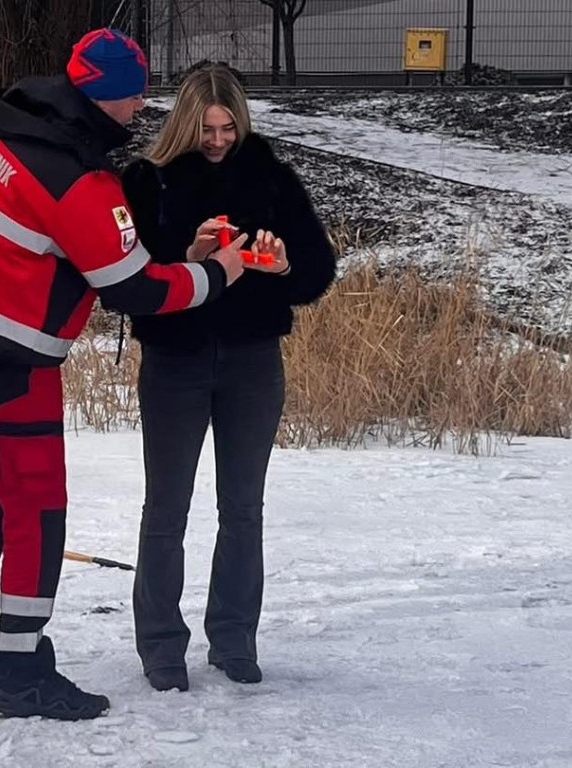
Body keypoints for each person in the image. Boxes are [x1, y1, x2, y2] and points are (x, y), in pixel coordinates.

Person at [0, 31, 248, 721]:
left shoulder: (6, 122)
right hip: (15, 358)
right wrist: (216, 274)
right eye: (137, 94)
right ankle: (20, 670)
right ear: (110, 97)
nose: (142, 106)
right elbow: (135, 289)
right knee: (36, 515)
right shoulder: (81, 181)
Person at [120, 63, 337, 692]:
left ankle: (234, 638)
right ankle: (161, 646)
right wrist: (184, 259)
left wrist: (283, 264)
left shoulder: (270, 178)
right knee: (167, 508)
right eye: (206, 128)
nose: (217, 140)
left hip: (252, 361)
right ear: (185, 123)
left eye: (227, 127)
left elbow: (317, 274)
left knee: (242, 508)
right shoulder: (146, 181)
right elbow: (124, 283)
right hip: (175, 362)